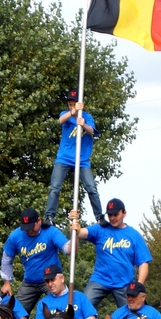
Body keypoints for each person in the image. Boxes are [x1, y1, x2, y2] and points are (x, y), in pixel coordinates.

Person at [70, 198, 152, 309]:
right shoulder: (100, 229)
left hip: (124, 283)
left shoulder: (134, 235)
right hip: (100, 279)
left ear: (124, 213)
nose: (112, 218)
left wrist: (139, 285)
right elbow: (79, 232)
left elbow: (143, 263)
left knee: (131, 315)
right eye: (110, 215)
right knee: (83, 307)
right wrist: (74, 223)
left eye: (116, 214)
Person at [42, 89, 107, 228]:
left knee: (91, 188)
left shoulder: (87, 117)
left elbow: (91, 131)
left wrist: (83, 124)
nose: (71, 106)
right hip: (64, 158)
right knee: (55, 188)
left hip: (82, 159)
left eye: (74, 104)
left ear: (80, 104)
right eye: (70, 104)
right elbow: (60, 120)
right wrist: (72, 112)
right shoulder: (66, 115)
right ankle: (49, 217)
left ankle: (99, 217)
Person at [0, 207, 74, 315]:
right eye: (26, 228)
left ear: (38, 220)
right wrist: (6, 282)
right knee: (14, 314)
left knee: (60, 311)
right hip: (29, 282)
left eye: (31, 227)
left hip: (50, 280)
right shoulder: (15, 236)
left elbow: (68, 249)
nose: (29, 231)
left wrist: (74, 233)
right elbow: (7, 258)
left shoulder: (50, 231)